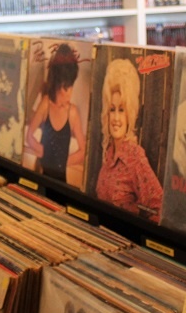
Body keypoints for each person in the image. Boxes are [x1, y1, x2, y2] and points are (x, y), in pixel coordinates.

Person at [93, 57, 163, 221]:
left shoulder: (135, 157)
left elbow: (159, 207)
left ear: (130, 114)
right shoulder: (108, 154)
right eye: (112, 109)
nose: (116, 118)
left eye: (122, 110)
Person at [24, 42, 86, 185]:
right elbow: (29, 136)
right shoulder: (46, 104)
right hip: (41, 173)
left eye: (71, 86)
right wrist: (43, 152)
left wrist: (63, 161)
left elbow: (83, 151)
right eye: (66, 88)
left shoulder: (73, 112)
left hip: (61, 181)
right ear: (57, 85)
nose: (70, 92)